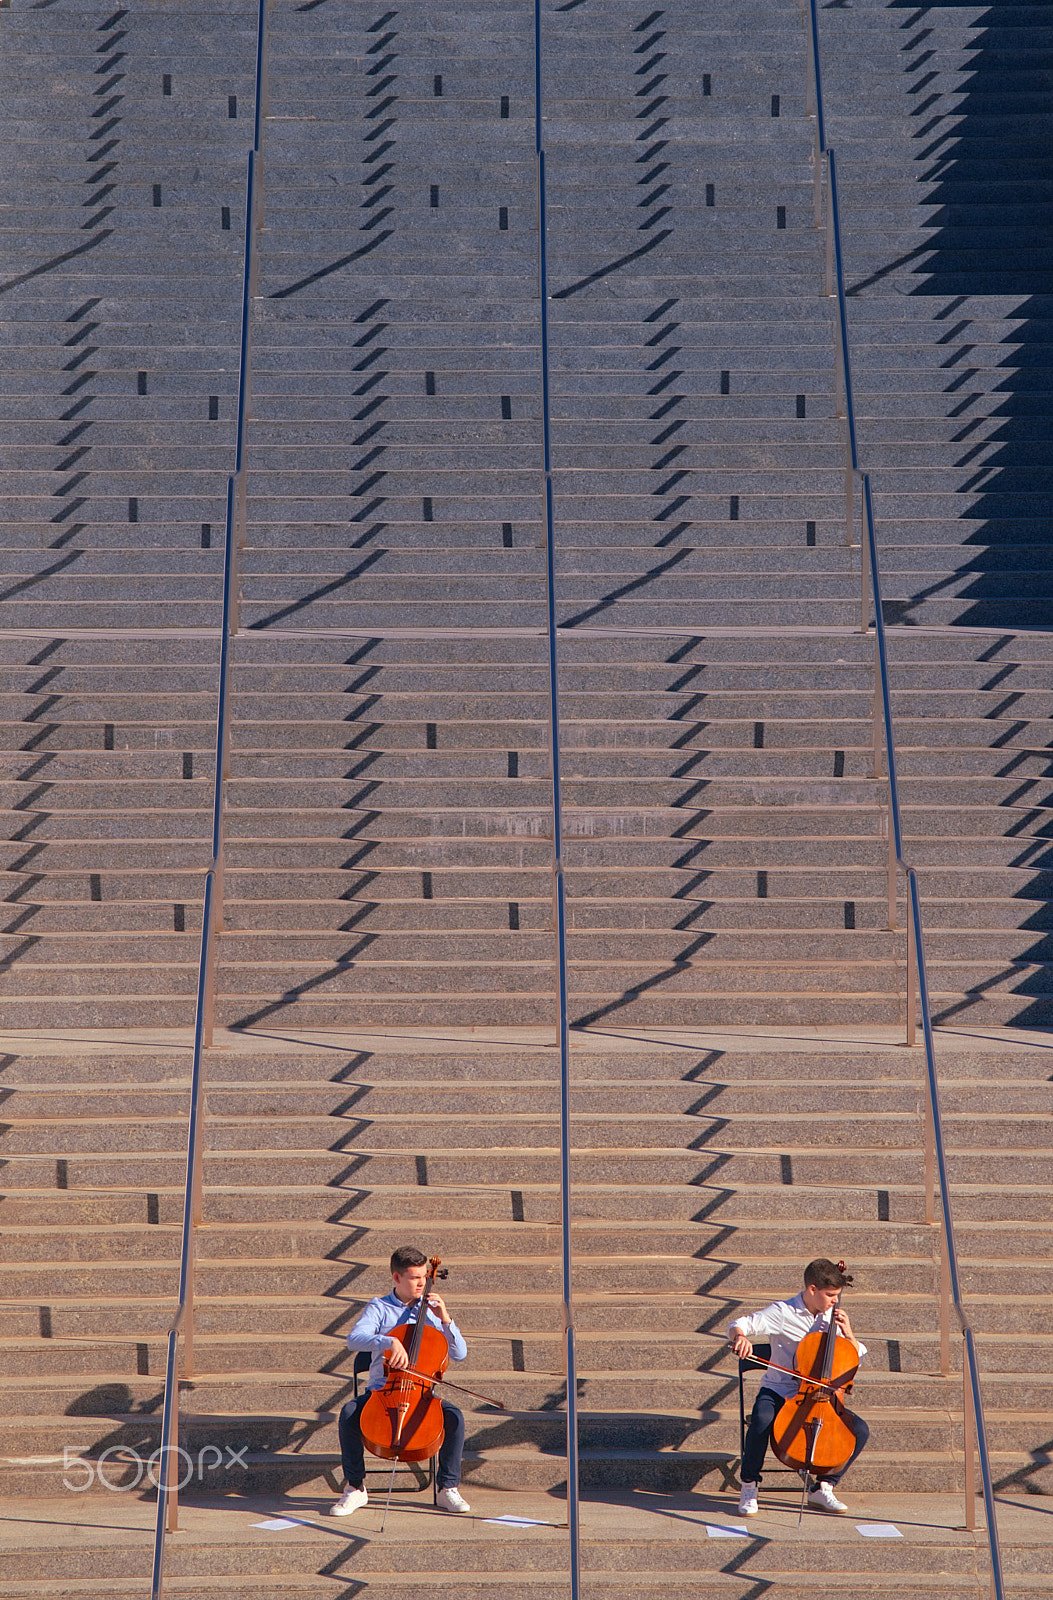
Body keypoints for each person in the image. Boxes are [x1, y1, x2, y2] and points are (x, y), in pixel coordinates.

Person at [331, 1246, 471, 1516]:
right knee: (349, 1413)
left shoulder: (430, 1311)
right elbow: (353, 1340)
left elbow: (460, 1354)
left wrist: (445, 1319)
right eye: (414, 1278)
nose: (422, 1283)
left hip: (421, 1394)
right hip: (382, 1393)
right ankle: (356, 1488)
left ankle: (447, 1488)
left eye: (423, 1277)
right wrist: (388, 1340)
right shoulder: (379, 1308)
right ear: (396, 1278)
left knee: (454, 1417)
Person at [728, 1257, 869, 1516]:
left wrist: (848, 1334)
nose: (835, 1301)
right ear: (812, 1289)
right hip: (779, 1390)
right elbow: (739, 1324)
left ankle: (823, 1487)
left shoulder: (833, 1318)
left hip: (821, 1395)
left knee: (859, 1430)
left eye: (837, 1295)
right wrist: (740, 1337)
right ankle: (749, 1485)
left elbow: (852, 1359)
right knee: (761, 1420)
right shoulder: (782, 1312)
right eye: (830, 1295)